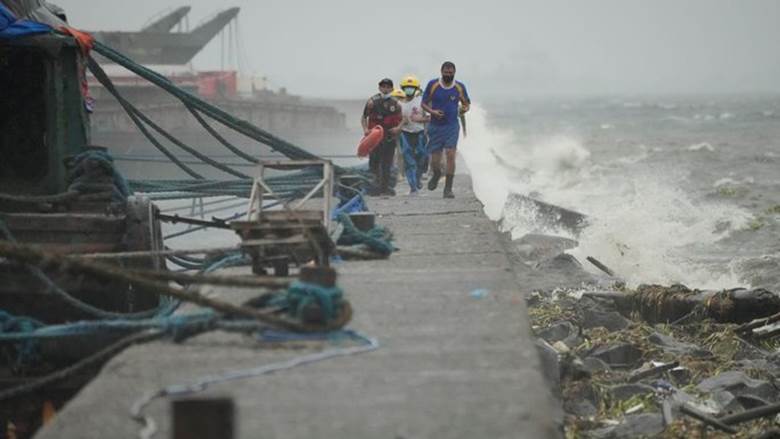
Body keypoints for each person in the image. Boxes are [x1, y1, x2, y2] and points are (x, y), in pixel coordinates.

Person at [421, 61, 471, 198]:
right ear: (441, 72)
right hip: (435, 126)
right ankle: (436, 174)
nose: (448, 75)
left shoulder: (459, 87)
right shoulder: (433, 85)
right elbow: (423, 103)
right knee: (435, 159)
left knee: (450, 154)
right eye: (446, 72)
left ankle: (448, 188)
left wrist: (464, 109)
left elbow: (467, 104)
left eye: (451, 73)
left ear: (454, 73)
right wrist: (433, 112)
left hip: (452, 126)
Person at [361, 78, 403, 196]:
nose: (385, 89)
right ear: (379, 88)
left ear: (391, 88)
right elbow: (364, 117)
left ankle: (383, 190)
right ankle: (375, 186)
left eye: (388, 87)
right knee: (374, 162)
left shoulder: (396, 104)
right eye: (383, 86)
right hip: (374, 136)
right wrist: (365, 130)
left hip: (389, 136)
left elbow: (403, 120)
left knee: (386, 163)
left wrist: (398, 128)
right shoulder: (372, 102)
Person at [397, 75, 430, 195]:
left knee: (422, 157)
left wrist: (421, 119)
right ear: (403, 88)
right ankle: (413, 187)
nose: (409, 90)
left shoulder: (421, 101)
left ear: (416, 88)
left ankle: (418, 177)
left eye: (411, 88)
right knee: (408, 159)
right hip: (405, 134)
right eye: (406, 88)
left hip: (420, 133)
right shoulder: (399, 104)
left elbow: (430, 117)